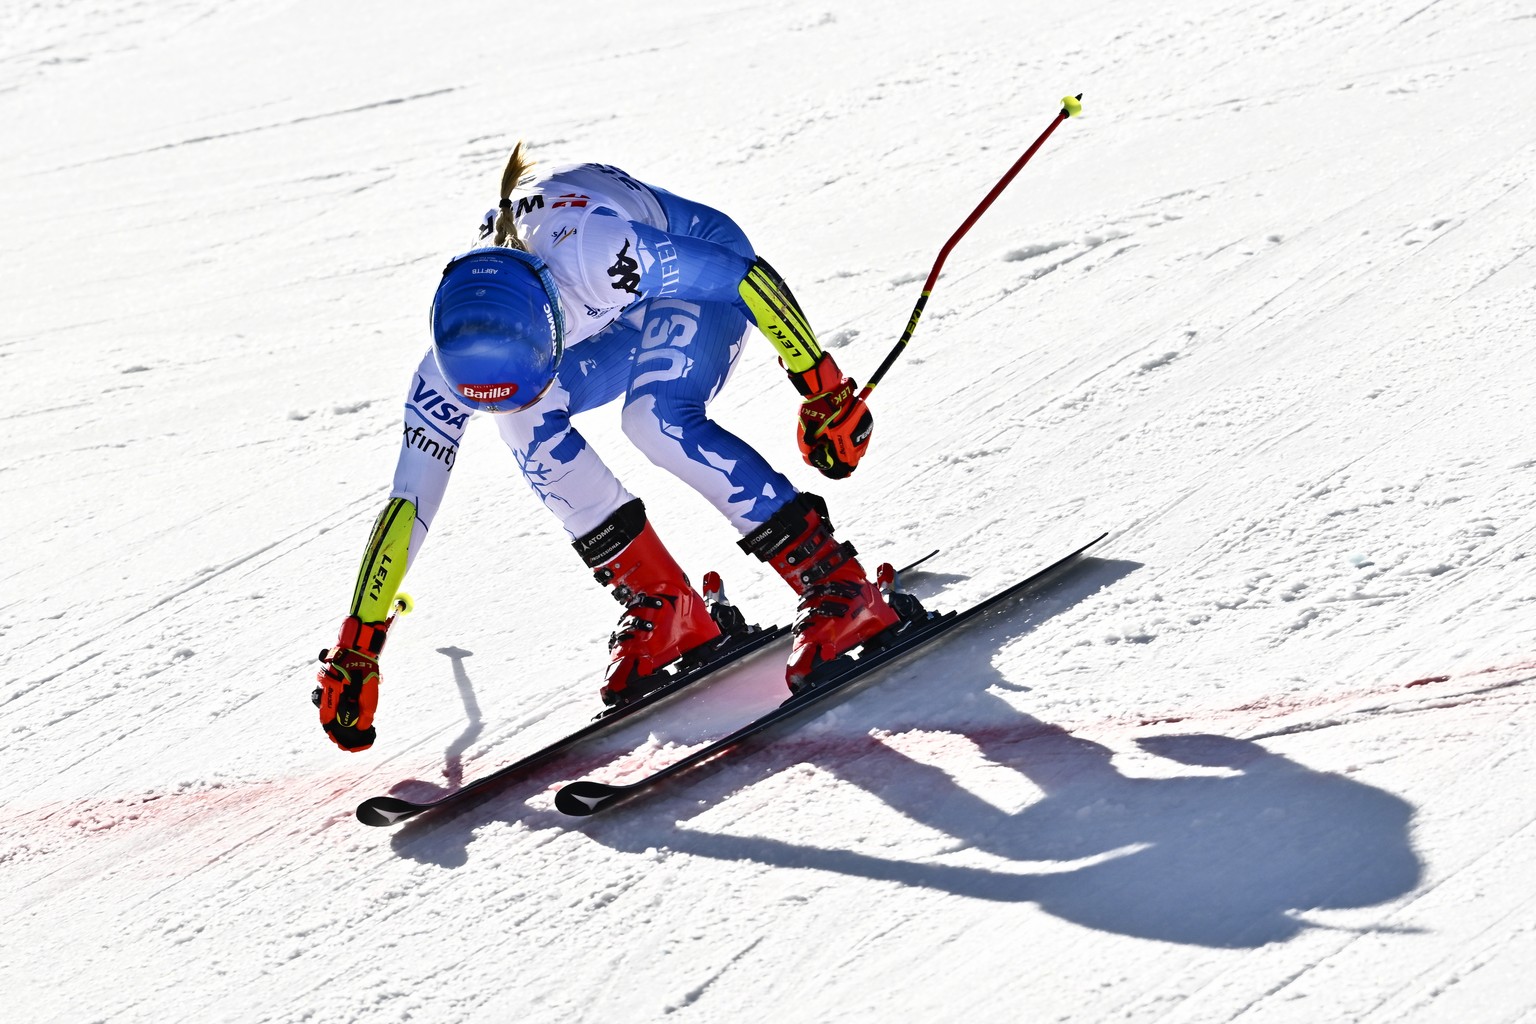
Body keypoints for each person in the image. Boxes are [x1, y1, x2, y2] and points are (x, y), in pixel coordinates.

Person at [314, 145, 903, 753]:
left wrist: (821, 388)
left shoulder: (596, 253)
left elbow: (743, 277)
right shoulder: (448, 362)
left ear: (550, 324)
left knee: (655, 419)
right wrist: (359, 639)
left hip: (693, 276)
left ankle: (837, 582)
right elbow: (410, 501)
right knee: (523, 421)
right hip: (603, 315)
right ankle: (667, 605)